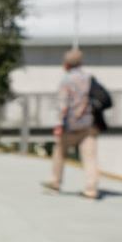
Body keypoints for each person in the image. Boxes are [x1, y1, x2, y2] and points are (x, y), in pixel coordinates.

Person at [45, 48, 99, 198]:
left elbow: (63, 105)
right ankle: (91, 189)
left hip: (70, 125)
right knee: (90, 158)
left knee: (60, 153)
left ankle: (55, 183)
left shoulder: (66, 80)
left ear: (67, 64)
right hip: (88, 124)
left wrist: (58, 125)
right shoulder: (89, 78)